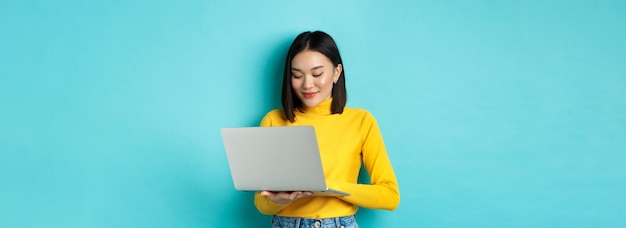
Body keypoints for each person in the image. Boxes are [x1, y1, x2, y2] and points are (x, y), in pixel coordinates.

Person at [254, 31, 400, 228]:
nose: (307, 84)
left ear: (336, 72)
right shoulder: (273, 121)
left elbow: (390, 196)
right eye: (297, 75)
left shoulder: (362, 121)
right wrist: (280, 200)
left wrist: (328, 187)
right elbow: (261, 203)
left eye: (317, 74)